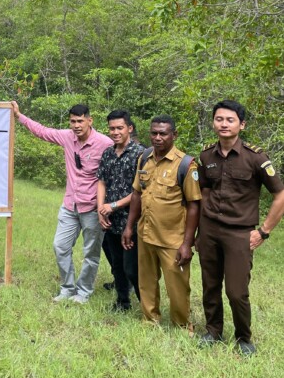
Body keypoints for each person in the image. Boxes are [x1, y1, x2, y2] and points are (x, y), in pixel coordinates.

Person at [197, 100, 284, 356]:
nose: (224, 124)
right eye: (219, 119)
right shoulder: (205, 156)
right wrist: (202, 228)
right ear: (213, 122)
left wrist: (264, 231)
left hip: (239, 233)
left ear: (241, 124)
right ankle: (213, 331)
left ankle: (243, 338)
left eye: (230, 120)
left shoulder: (256, 158)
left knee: (236, 291)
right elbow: (203, 190)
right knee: (210, 285)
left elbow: (280, 195)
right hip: (210, 230)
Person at [11, 101, 113, 304]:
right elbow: (42, 131)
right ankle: (67, 288)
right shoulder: (67, 137)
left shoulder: (105, 143)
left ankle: (83, 292)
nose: (76, 125)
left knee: (91, 253)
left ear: (89, 120)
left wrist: (107, 205)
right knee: (60, 246)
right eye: (73, 121)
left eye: (80, 121)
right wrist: (19, 116)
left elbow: (111, 175)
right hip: (70, 204)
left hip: (92, 207)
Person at [122, 116, 200, 328]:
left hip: (172, 238)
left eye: (163, 133)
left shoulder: (186, 164)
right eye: (154, 133)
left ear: (173, 135)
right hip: (145, 233)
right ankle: (149, 319)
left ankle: (182, 325)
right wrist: (129, 226)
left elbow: (194, 205)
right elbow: (137, 193)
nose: (157, 138)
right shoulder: (144, 157)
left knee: (177, 286)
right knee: (146, 282)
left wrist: (187, 243)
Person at [96, 109, 143, 312]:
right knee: (116, 265)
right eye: (112, 128)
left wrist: (113, 205)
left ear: (129, 128)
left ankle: (147, 307)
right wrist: (100, 209)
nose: (115, 132)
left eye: (119, 128)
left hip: (131, 220)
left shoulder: (141, 154)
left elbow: (141, 191)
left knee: (131, 268)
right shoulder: (108, 153)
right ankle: (122, 302)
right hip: (110, 219)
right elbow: (102, 182)